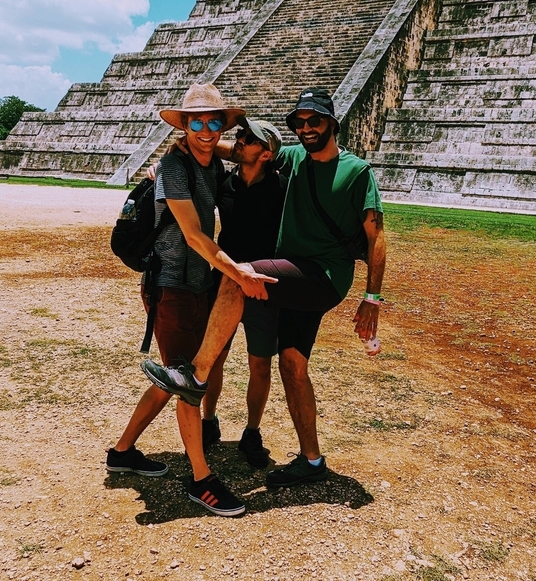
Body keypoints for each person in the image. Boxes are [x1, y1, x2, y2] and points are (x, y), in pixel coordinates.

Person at [143, 87, 388, 490]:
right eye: (299, 123)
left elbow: (376, 236)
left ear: (332, 123)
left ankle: (195, 373)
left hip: (323, 276)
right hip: (294, 278)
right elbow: (237, 151)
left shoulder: (357, 171)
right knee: (291, 365)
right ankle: (312, 459)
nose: (306, 128)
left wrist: (372, 299)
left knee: (242, 275)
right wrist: (182, 150)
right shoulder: (291, 157)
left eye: (315, 121)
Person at [105, 83, 276, 518]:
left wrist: (259, 149)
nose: (205, 129)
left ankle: (123, 451)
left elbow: (238, 154)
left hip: (200, 285)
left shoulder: (210, 162)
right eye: (195, 122)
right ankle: (201, 480)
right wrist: (237, 272)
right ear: (183, 126)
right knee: (187, 382)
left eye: (213, 122)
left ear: (221, 126)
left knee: (176, 378)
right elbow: (195, 236)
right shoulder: (174, 168)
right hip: (173, 286)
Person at [199, 118, 287, 470]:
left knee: (260, 362)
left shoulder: (282, 188)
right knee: (214, 356)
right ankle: (209, 421)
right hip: (223, 281)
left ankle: (252, 430)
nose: (239, 139)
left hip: (260, 283)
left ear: (266, 154)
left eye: (248, 138)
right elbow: (202, 148)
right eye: (240, 133)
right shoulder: (225, 181)